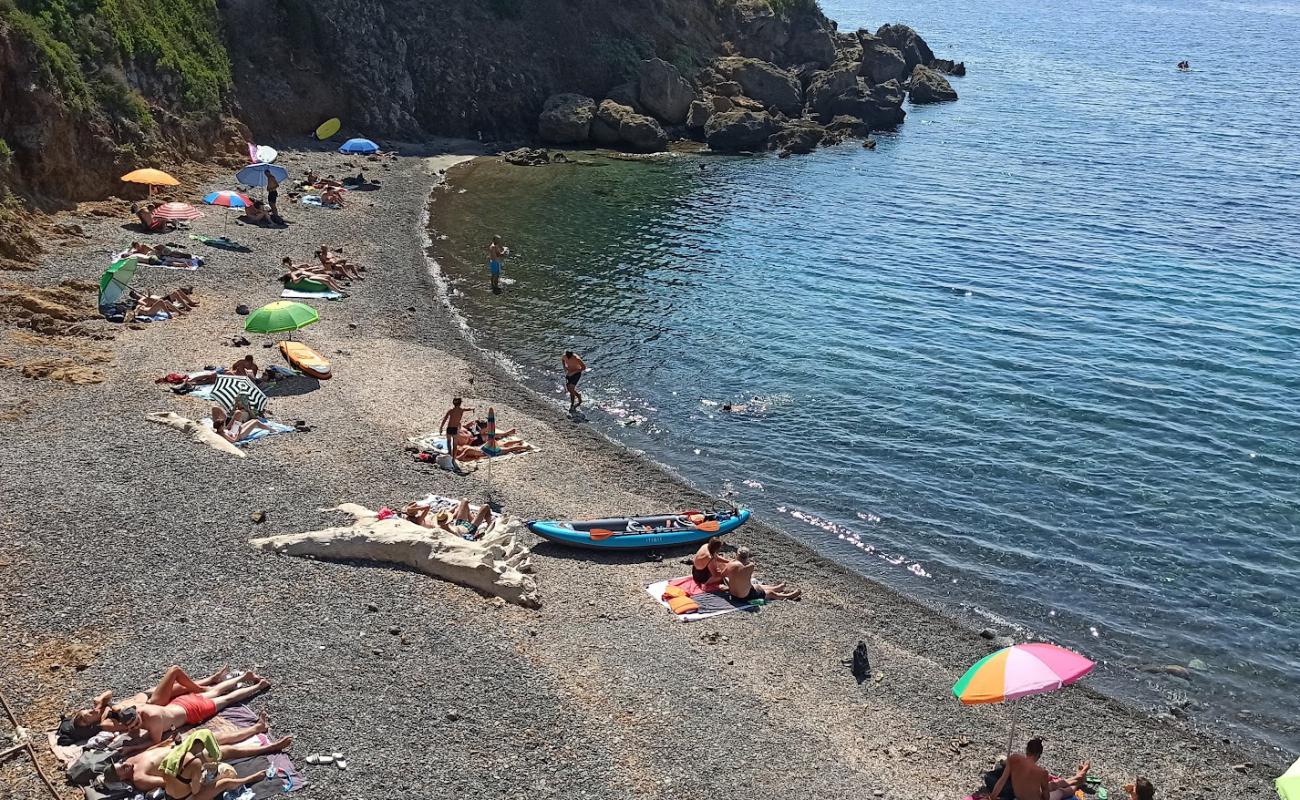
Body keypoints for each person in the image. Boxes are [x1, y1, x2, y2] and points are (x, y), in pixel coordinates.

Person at [108, 712, 291, 800]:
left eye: (122, 763)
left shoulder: (132, 760)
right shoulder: (139, 778)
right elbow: (168, 781)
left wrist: (168, 742)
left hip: (176, 749)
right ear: (122, 778)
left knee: (216, 737)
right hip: (182, 764)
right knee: (226, 751)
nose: (125, 765)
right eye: (123, 769)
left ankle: (256, 728)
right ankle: (269, 748)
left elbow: (155, 750)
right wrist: (195, 773)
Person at [60, 666, 229, 742]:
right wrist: (112, 706)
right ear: (91, 725)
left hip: (146, 696)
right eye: (87, 717)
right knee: (174, 672)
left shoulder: (100, 708)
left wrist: (101, 701)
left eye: (84, 712)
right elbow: (130, 724)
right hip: (152, 704)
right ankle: (205, 688)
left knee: (178, 688)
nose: (89, 712)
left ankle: (211, 680)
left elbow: (109, 693)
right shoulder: (105, 724)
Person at [103, 672, 268, 744]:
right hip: (180, 704)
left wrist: (136, 744)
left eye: (135, 725)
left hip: (192, 711)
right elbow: (116, 708)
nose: (134, 728)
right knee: (216, 691)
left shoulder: (153, 719)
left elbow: (155, 742)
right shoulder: (138, 708)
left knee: (226, 699)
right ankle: (244, 677)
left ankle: (258, 686)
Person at [989, 738, 1090, 800]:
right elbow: (1046, 797)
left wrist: (992, 797)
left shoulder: (1014, 759)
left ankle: (1079, 777)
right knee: (1060, 791)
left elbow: (1002, 780)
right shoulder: (1041, 773)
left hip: (1019, 797)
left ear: (1026, 750)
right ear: (1038, 755)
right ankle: (1078, 782)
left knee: (1053, 785)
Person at [721, 546, 801, 602]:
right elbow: (746, 568)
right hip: (743, 597)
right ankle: (789, 595)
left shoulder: (730, 564)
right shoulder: (750, 566)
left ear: (737, 555)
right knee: (770, 594)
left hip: (733, 595)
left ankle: (777, 587)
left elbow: (722, 574)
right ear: (747, 556)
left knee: (757, 586)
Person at [439, 398, 473, 468]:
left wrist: (441, 428)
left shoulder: (451, 410)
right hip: (455, 429)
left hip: (449, 428)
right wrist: (473, 409)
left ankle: (449, 456)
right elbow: (468, 408)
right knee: (455, 445)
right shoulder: (461, 410)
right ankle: (453, 460)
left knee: (448, 442)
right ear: (460, 403)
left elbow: (444, 419)